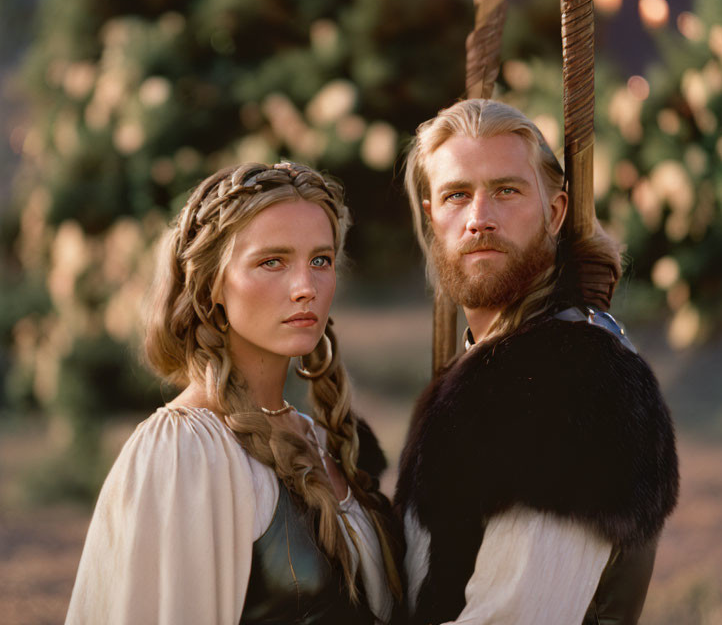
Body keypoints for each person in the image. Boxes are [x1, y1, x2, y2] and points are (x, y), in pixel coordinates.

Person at [66, 162, 401, 625]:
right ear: (212, 286)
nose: (306, 287)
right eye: (272, 262)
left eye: (320, 261)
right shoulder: (187, 450)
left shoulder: (319, 440)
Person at [395, 99, 679, 625]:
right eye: (457, 195)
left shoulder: (574, 377)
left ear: (554, 212)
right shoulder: (493, 367)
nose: (479, 219)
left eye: (507, 190)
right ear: (432, 216)